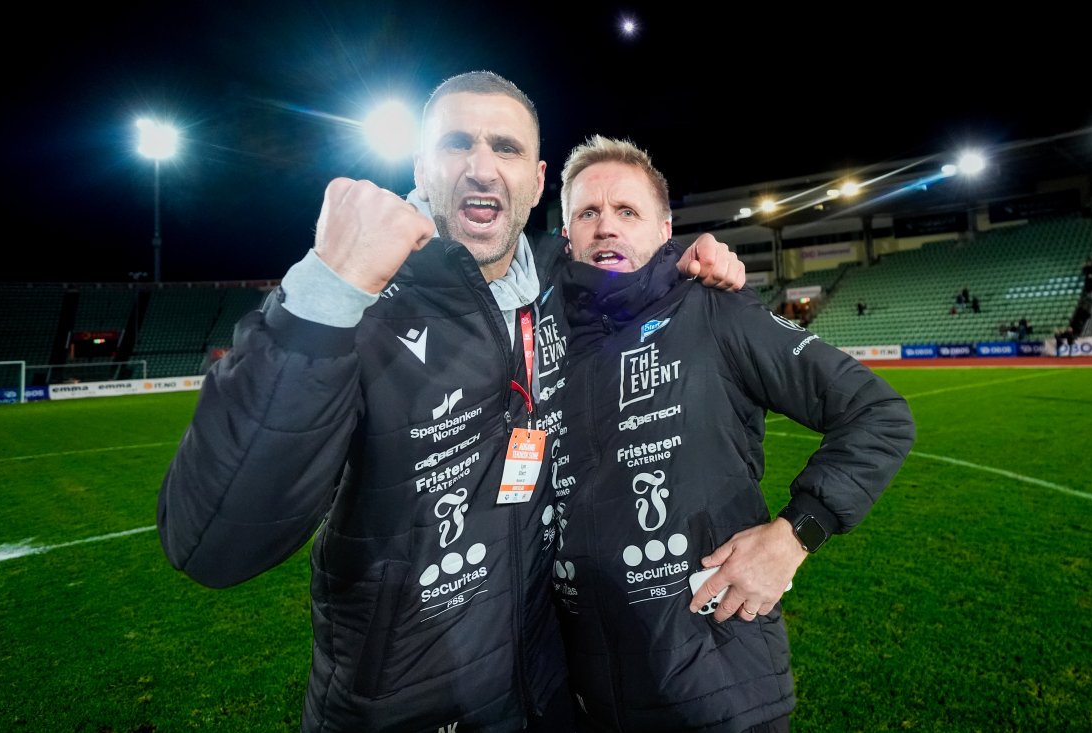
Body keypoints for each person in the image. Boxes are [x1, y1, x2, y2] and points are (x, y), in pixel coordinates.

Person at [155, 72, 745, 733]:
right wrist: (326, 290)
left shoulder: (559, 281)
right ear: (421, 168)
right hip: (404, 706)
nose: (481, 167)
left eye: (506, 148)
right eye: (457, 143)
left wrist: (694, 258)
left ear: (538, 181)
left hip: (546, 691)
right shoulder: (363, 301)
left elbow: (635, 264)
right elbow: (214, 545)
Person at [547, 136, 916, 732]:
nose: (606, 226)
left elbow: (878, 413)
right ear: (567, 235)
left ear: (665, 229)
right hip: (584, 696)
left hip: (717, 690)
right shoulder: (543, 339)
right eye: (588, 212)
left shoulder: (715, 309)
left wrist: (795, 536)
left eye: (627, 210)